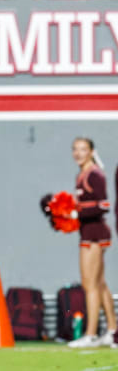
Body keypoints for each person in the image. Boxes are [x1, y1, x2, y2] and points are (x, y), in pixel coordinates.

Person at [67, 138, 116, 348]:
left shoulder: (95, 174)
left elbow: (103, 204)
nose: (78, 153)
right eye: (75, 149)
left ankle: (91, 334)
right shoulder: (82, 174)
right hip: (88, 233)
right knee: (100, 282)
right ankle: (113, 331)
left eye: (83, 149)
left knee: (90, 285)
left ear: (91, 152)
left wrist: (76, 211)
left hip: (95, 235)